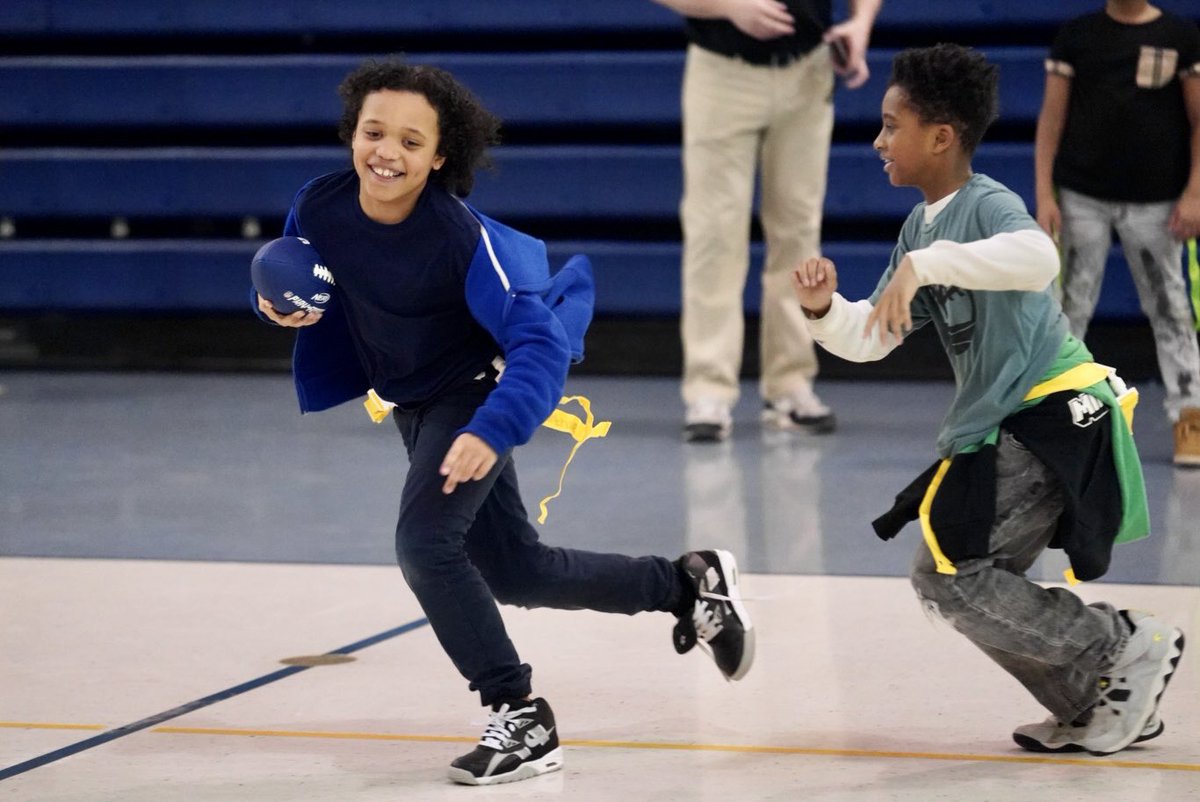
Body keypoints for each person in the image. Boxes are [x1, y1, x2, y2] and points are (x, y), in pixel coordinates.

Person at [253, 59, 754, 785]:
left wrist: (491, 429)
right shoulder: (321, 205)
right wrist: (273, 307)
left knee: (425, 546)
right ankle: (687, 585)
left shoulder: (460, 240)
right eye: (373, 132)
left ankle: (519, 713)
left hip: (473, 400)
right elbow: (308, 284)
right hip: (413, 404)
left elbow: (541, 344)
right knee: (520, 571)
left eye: (410, 141)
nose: (386, 152)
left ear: (440, 155)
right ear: (351, 134)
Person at [793, 43, 1186, 756]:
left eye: (891, 125)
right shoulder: (920, 228)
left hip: (1058, 411)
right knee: (961, 578)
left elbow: (1039, 258)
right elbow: (875, 336)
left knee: (951, 577)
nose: (879, 141)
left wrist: (927, 265)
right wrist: (824, 312)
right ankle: (1096, 701)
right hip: (1009, 424)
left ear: (941, 137)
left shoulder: (985, 205)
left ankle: (1120, 643)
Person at [652, 0, 882, 442]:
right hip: (722, 70)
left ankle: (791, 385)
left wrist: (861, 23)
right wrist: (726, 6)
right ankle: (709, 390)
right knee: (713, 235)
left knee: (799, 231)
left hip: (808, 71)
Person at [1034, 0, 1200, 466]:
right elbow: (1051, 120)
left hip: (1157, 201)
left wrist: (1194, 193)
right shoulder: (1077, 37)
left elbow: (1198, 121)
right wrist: (1045, 195)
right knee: (1068, 306)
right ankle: (1056, 412)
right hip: (1081, 196)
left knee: (1170, 306)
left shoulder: (1180, 37)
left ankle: (1189, 414)